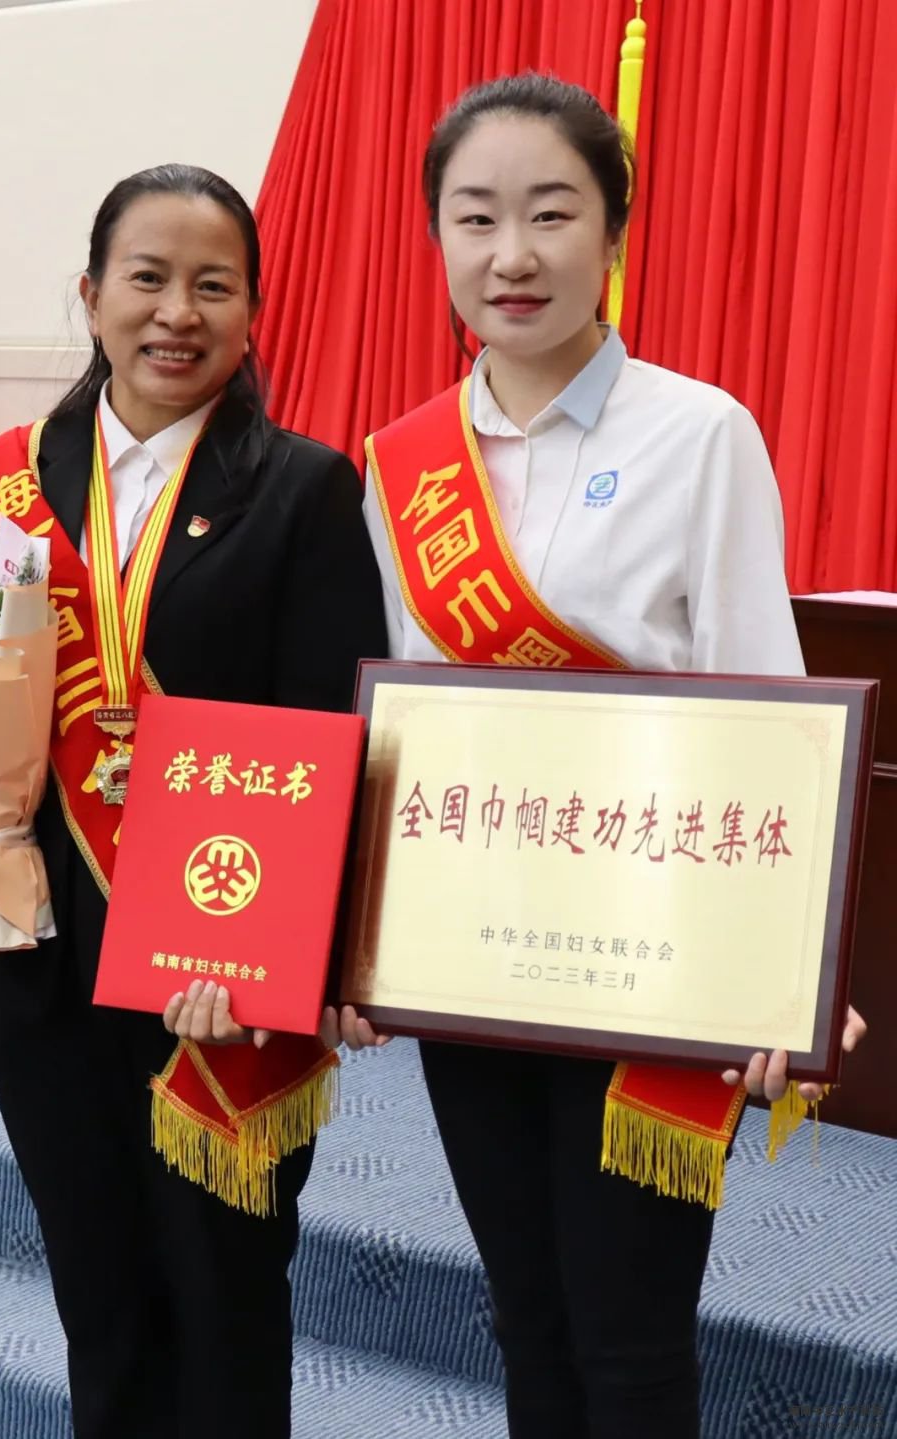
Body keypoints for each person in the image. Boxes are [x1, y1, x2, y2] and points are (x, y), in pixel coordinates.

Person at [354, 74, 867, 1438]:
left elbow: (766, 696)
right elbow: (396, 734)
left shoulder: (699, 434)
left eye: (551, 212)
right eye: (476, 218)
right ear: (438, 238)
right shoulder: (402, 468)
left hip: (659, 954)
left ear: (615, 229)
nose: (512, 254)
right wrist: (354, 938)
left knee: (631, 1338)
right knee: (525, 1317)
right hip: (471, 955)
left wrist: (782, 970)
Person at [0, 162, 388, 1439]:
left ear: (253, 312)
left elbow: (334, 742)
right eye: (148, 279)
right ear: (92, 294)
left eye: (213, 286)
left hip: (216, 979)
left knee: (225, 1307)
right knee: (100, 1305)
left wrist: (289, 957)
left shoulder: (306, 490)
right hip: (43, 967)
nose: (177, 312)